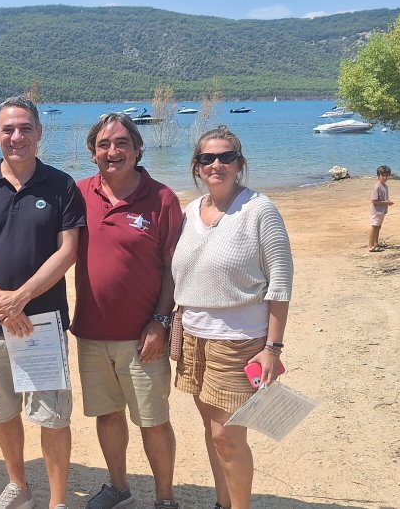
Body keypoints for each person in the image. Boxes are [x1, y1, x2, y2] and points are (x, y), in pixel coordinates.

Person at [0, 96, 86, 509]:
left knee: (53, 415)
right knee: (3, 410)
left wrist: (22, 298)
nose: (17, 136)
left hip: (42, 323)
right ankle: (19, 487)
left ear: (39, 133)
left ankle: (58, 501)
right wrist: (1, 303)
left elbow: (67, 251)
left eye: (25, 128)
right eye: (8, 129)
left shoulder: (61, 185)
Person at [171, 125, 293, 509]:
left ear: (240, 164)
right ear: (196, 165)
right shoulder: (191, 210)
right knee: (212, 431)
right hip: (193, 338)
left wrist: (272, 348)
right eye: (207, 158)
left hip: (239, 342)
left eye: (226, 157)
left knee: (228, 436)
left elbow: (281, 284)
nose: (217, 164)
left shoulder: (259, 210)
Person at [72, 113, 182, 509]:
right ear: (93, 152)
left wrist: (161, 321)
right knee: (107, 415)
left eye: (121, 143)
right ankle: (119, 488)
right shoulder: (78, 193)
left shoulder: (162, 198)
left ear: (137, 149)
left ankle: (165, 499)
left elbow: (173, 268)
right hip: (91, 333)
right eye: (103, 144)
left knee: (153, 421)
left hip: (142, 336)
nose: (112, 151)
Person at [369, 165, 393, 252]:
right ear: (378, 176)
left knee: (378, 227)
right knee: (374, 226)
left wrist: (387, 202)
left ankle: (376, 243)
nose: (385, 177)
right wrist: (386, 203)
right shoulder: (377, 186)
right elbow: (374, 201)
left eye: (387, 175)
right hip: (376, 211)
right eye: (383, 175)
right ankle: (371, 246)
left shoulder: (385, 186)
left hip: (381, 211)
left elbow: (382, 199)